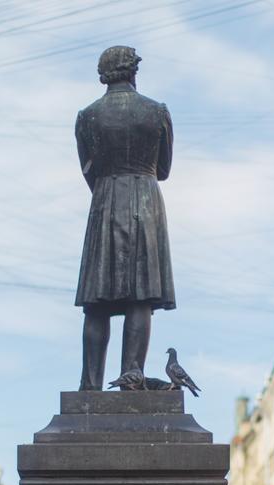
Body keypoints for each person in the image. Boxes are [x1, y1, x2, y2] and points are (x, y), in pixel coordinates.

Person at [74, 45, 175, 390]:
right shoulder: (156, 111)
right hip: (145, 199)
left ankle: (90, 385)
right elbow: (163, 168)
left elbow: (87, 168)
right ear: (133, 71)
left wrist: (108, 186)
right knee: (140, 296)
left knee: (96, 301)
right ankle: (132, 374)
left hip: (104, 199)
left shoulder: (87, 116)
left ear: (103, 75)